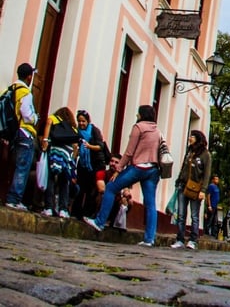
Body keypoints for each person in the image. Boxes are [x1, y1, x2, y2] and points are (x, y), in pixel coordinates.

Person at [84, 104, 162, 246]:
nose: (137, 116)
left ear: (142, 115)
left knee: (111, 188)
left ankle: (100, 222)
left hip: (138, 167)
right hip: (153, 170)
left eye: (138, 114)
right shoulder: (157, 131)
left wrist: (118, 169)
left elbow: (129, 152)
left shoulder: (138, 127)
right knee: (150, 204)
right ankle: (149, 239)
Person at [171, 130, 211, 250]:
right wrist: (178, 180)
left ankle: (193, 240)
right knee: (181, 214)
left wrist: (203, 190)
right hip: (183, 185)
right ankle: (180, 239)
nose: (190, 138)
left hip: (196, 188)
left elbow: (206, 174)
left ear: (198, 138)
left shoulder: (205, 154)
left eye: (192, 136)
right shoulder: (189, 151)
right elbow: (184, 167)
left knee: (194, 215)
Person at [5, 63, 38, 211]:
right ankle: (14, 199)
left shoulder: (12, 89)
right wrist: (35, 118)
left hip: (13, 132)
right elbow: (26, 113)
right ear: (29, 76)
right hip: (25, 132)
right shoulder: (25, 92)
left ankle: (10, 196)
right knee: (22, 167)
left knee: (14, 165)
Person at [40, 106, 79, 218]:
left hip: (54, 152)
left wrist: (45, 140)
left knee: (50, 179)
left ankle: (48, 207)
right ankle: (63, 209)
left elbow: (48, 123)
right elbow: (75, 145)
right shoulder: (72, 127)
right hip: (66, 155)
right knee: (64, 182)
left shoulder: (54, 118)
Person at [73, 110, 107, 218]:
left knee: (91, 190)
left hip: (95, 163)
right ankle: (76, 212)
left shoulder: (94, 131)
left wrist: (89, 146)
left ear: (88, 121)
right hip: (83, 163)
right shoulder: (77, 132)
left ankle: (87, 213)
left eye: (83, 121)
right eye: (79, 121)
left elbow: (100, 146)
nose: (81, 123)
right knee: (80, 187)